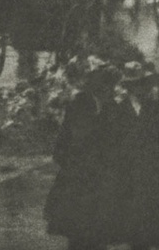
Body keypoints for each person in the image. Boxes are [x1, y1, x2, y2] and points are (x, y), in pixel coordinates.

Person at [45, 61, 122, 250]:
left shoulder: (107, 106)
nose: (113, 92)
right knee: (81, 232)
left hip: (95, 179)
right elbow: (73, 139)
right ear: (100, 87)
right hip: (81, 179)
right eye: (110, 88)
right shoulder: (82, 105)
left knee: (93, 233)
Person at [116, 61, 159, 250]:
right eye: (134, 85)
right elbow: (115, 142)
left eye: (141, 84)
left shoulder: (157, 108)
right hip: (129, 171)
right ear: (128, 87)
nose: (139, 89)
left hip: (152, 169)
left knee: (154, 211)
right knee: (133, 214)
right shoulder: (119, 111)